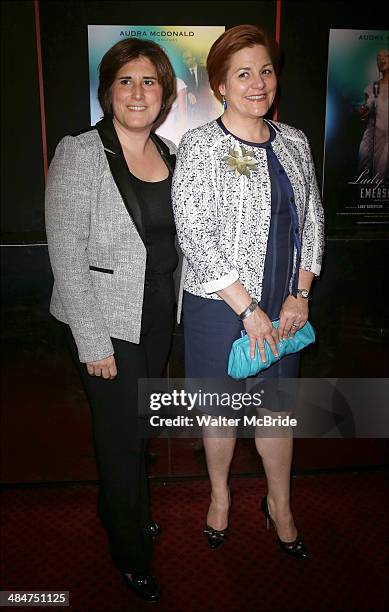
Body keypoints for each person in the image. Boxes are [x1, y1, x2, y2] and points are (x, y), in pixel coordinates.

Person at [172, 25, 324, 558]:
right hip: (220, 308)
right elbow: (194, 233)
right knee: (221, 413)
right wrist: (248, 307)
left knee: (276, 413)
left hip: (284, 311)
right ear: (219, 84)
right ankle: (220, 498)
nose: (258, 83)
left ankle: (279, 507)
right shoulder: (201, 145)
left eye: (265, 70)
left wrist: (300, 293)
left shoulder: (296, 142)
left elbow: (314, 221)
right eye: (243, 73)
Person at [45, 38, 179, 602]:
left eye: (149, 81)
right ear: (108, 91)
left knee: (134, 429)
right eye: (125, 80)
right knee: (122, 440)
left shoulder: (169, 152)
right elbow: (65, 253)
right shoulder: (81, 151)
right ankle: (131, 553)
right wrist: (92, 341)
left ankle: (118, 510)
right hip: (105, 321)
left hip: (156, 317)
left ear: (165, 93)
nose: (137, 92)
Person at [357, 48, 388, 179]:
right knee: (364, 171)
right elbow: (366, 110)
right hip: (372, 138)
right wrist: (364, 111)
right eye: (378, 58)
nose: (381, 59)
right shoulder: (371, 88)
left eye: (386, 56)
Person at [182, 48, 214, 126]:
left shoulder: (205, 70)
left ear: (194, 58)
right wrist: (188, 93)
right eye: (184, 59)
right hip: (191, 113)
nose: (185, 61)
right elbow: (182, 90)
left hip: (206, 111)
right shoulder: (182, 74)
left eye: (187, 58)